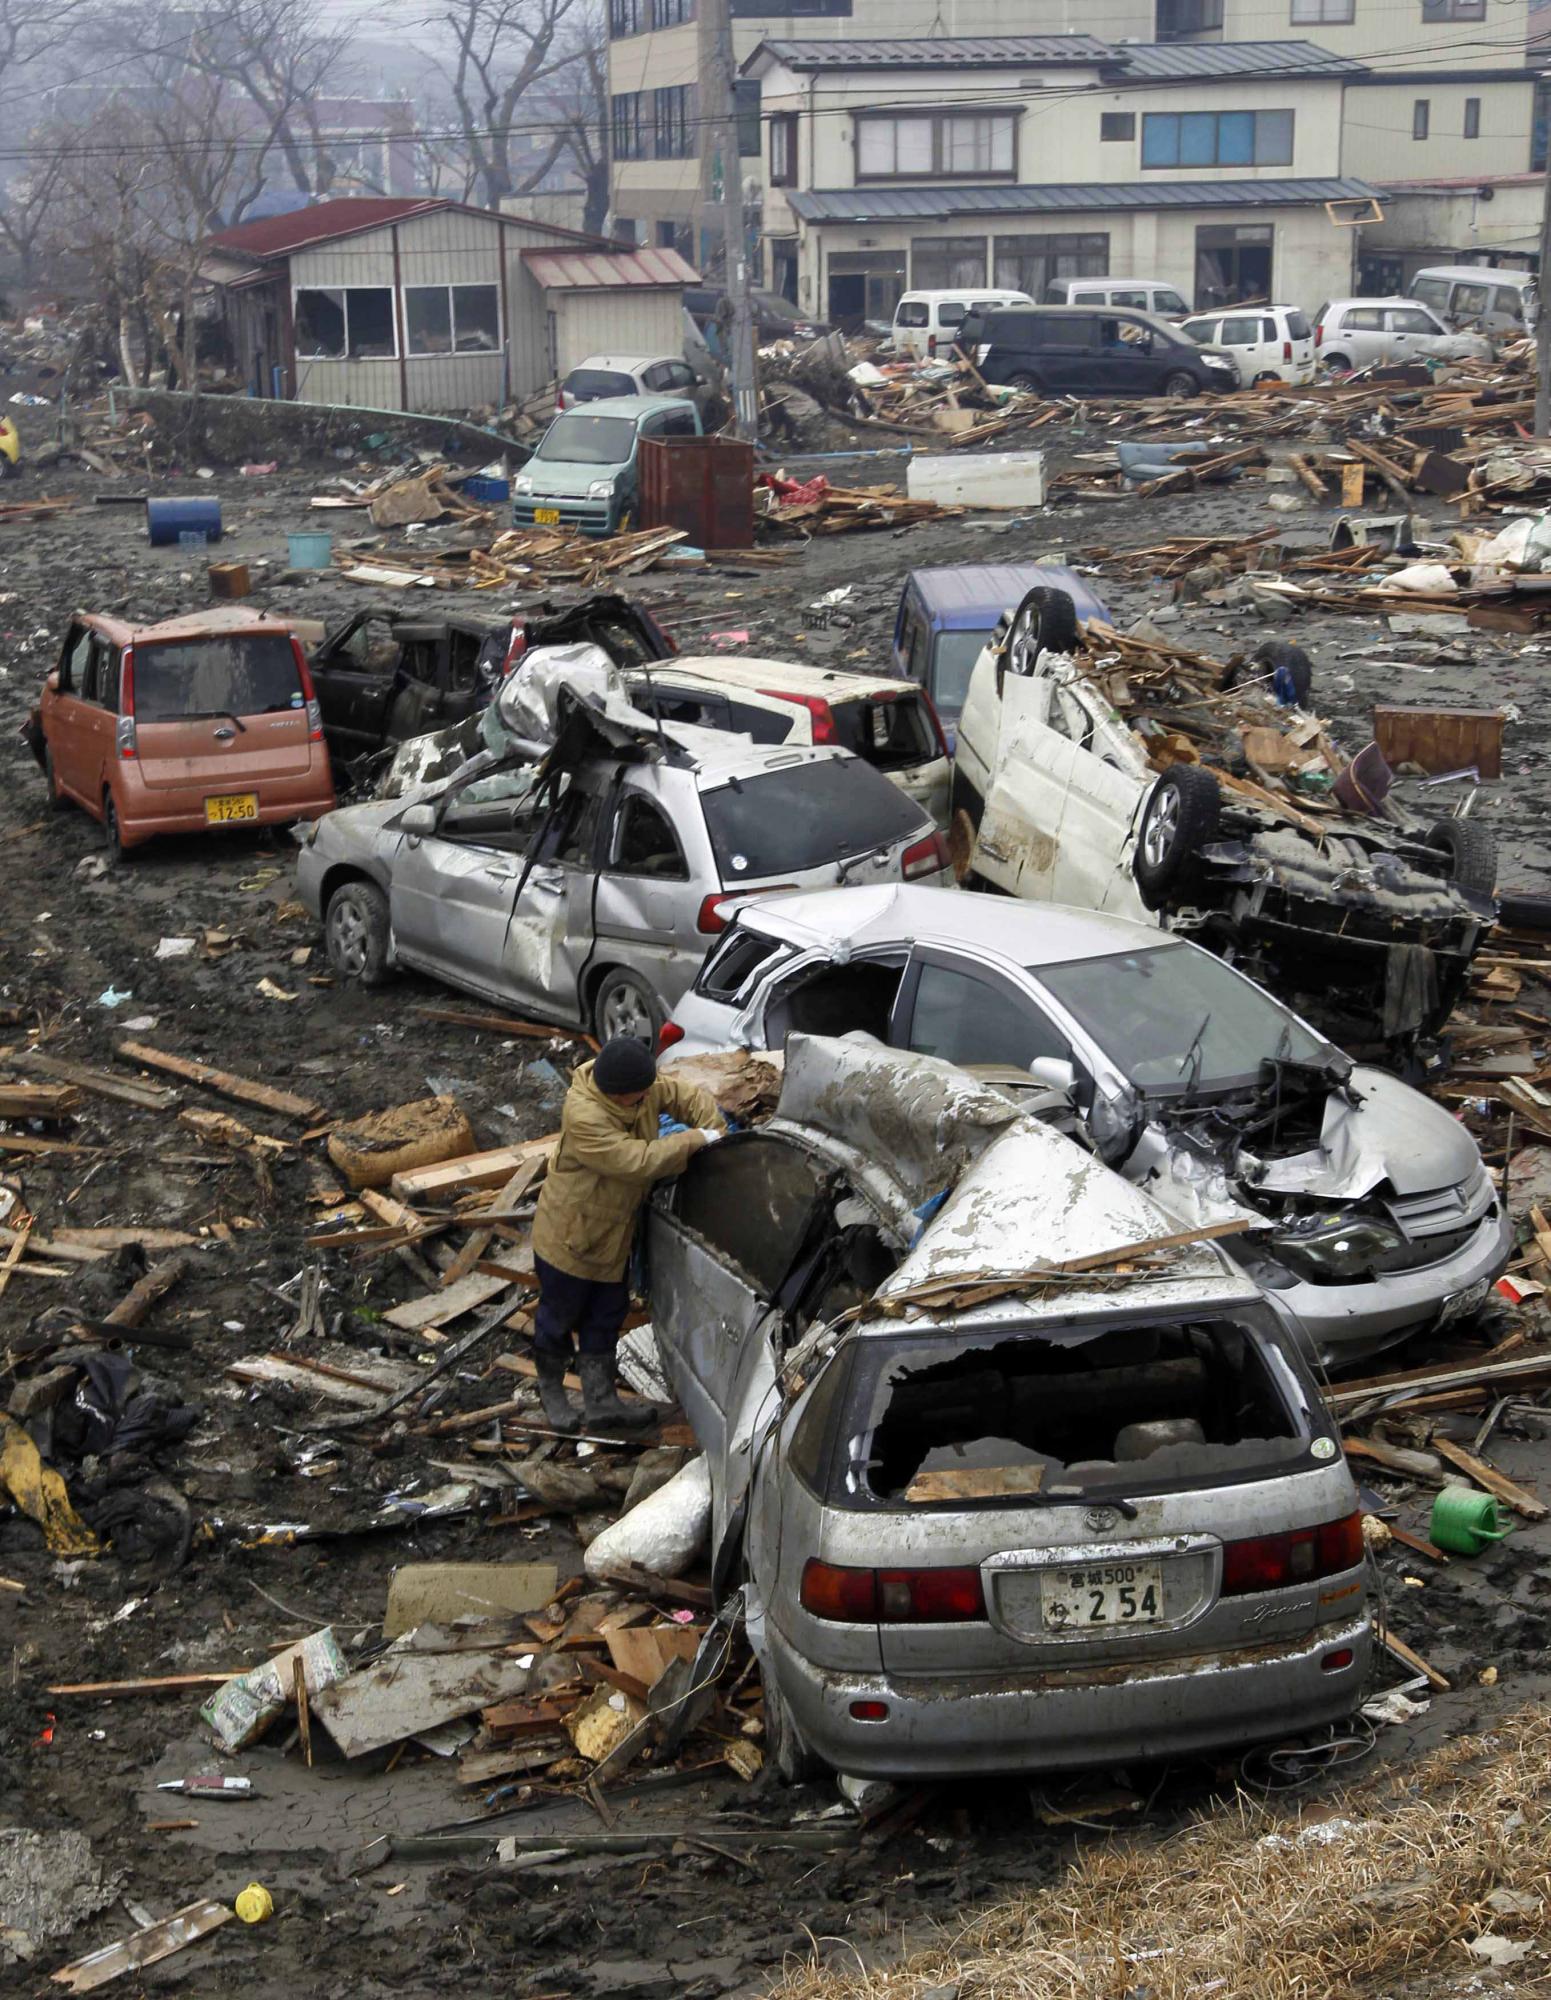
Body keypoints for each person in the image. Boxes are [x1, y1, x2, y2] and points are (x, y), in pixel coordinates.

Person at [530, 1037, 725, 1433]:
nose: (647, 1098)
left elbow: (682, 1094)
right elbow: (636, 1161)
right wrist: (695, 1139)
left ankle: (601, 1403)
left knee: (605, 1317)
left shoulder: (640, 1088)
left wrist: (715, 1126)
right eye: (638, 1095)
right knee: (559, 1317)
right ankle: (551, 1393)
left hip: (613, 1239)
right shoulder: (584, 1115)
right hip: (571, 1237)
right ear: (616, 1094)